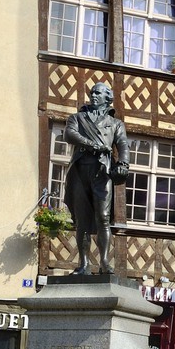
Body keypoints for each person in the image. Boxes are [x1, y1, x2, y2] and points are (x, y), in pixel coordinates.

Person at [64, 81, 129, 274]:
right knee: (82, 220)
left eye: (98, 93)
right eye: (92, 92)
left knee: (103, 217)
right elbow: (70, 135)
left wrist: (123, 164)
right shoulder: (77, 118)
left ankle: (104, 262)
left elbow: (123, 145)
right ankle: (83, 263)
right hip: (80, 172)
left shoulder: (116, 123)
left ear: (107, 98)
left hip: (102, 172)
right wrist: (94, 145)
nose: (93, 96)